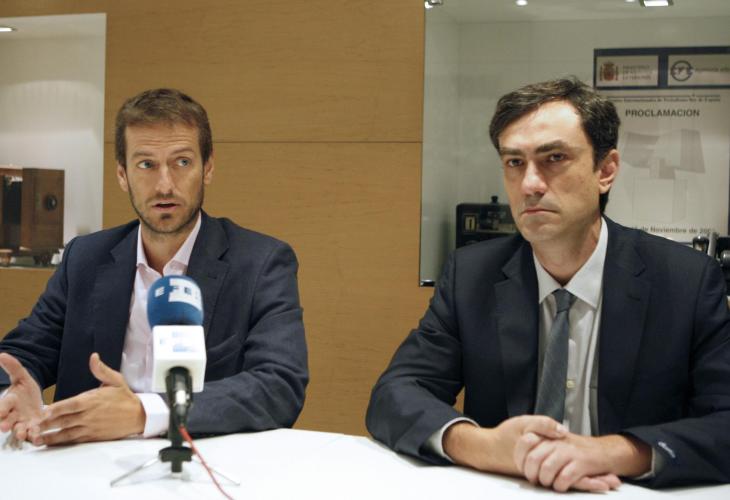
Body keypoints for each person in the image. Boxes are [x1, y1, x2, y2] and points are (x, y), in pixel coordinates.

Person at [366, 77, 730, 490]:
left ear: (606, 170)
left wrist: (614, 452)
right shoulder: (472, 275)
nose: (530, 185)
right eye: (514, 162)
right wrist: (484, 446)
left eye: (554, 158)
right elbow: (396, 393)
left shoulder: (685, 281)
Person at [0, 88, 308, 445]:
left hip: (199, 463)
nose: (165, 185)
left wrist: (146, 412)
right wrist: (13, 393)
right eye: (146, 164)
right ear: (122, 175)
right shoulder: (85, 257)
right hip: (86, 462)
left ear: (207, 168)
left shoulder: (260, 263)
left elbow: (279, 385)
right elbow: (23, 353)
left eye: (182, 163)